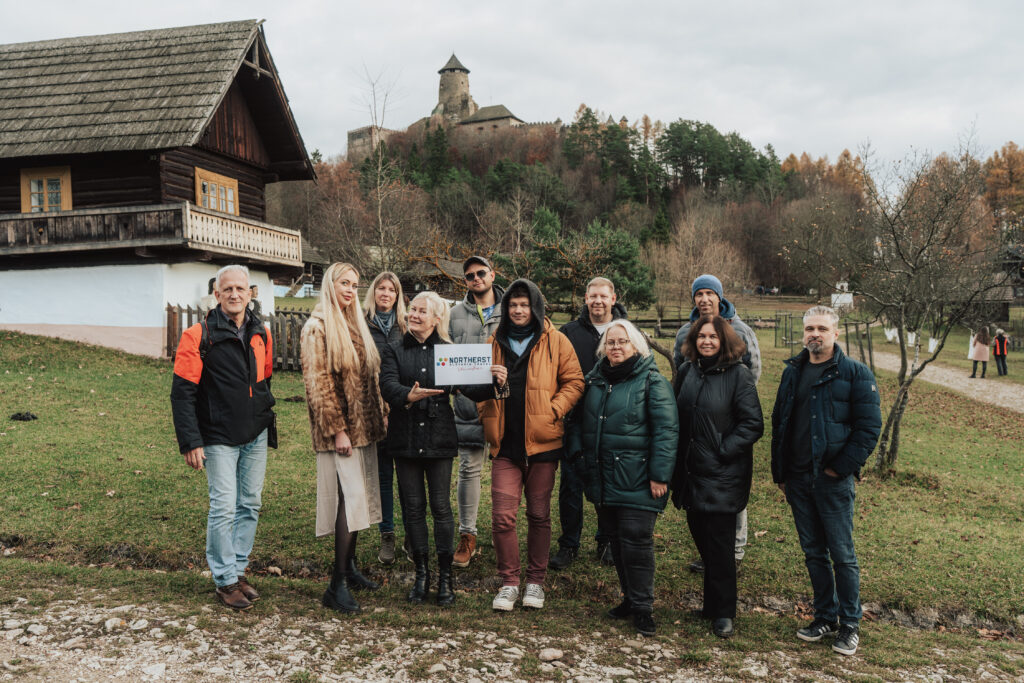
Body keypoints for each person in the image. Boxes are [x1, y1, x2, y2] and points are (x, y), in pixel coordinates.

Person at [463, 279, 584, 611]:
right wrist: (487, 407)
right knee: (503, 517)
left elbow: (575, 381)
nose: (518, 310)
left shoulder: (556, 341)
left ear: (536, 307)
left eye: (524, 305)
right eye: (513, 305)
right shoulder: (493, 342)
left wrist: (554, 410)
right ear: (506, 309)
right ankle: (509, 583)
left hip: (543, 446)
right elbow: (477, 386)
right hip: (505, 446)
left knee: (539, 514)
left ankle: (535, 582)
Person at [772, 305, 881, 656]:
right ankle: (824, 616)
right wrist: (781, 473)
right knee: (813, 553)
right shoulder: (793, 371)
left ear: (836, 333)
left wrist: (840, 468)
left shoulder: (855, 373)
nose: (814, 334)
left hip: (832, 481)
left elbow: (869, 428)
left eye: (821, 328)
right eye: (809, 329)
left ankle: (850, 624)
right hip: (797, 479)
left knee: (842, 555)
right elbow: (780, 421)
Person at [171, 264, 276, 611]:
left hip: (254, 434)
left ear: (250, 293)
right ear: (216, 294)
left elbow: (264, 380)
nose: (234, 294)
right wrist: (190, 441)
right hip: (217, 436)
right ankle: (224, 580)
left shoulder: (261, 333)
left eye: (240, 289)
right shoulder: (197, 335)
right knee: (224, 507)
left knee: (251, 503)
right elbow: (182, 394)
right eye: (227, 289)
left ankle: (238, 570)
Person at [569, 320, 678, 637]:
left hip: (640, 478)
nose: (616, 347)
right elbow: (575, 422)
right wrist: (578, 457)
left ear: (636, 346)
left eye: (623, 341)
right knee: (616, 539)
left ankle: (643, 607)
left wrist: (660, 475)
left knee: (636, 539)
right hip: (604, 476)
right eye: (611, 342)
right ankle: (630, 599)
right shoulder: (595, 380)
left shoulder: (652, 381)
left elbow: (666, 431)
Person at [300, 263, 389, 614]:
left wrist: (381, 410)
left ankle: (349, 568)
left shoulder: (353, 324)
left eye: (355, 285)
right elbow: (318, 385)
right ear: (330, 285)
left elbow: (369, 376)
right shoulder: (317, 327)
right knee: (349, 501)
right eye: (344, 284)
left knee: (358, 501)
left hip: (363, 429)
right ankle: (335, 584)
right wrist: (338, 429)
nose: (351, 290)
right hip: (341, 432)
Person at [672, 315, 764, 639]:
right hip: (691, 473)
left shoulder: (738, 375)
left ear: (724, 340)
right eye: (701, 336)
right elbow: (677, 413)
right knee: (703, 541)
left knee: (720, 547)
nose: (706, 341)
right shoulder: (688, 371)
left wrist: (722, 450)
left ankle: (724, 612)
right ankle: (711, 606)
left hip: (723, 475)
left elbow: (753, 424)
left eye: (713, 337)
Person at [672, 274, 761, 573]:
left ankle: (734, 551)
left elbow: (752, 371)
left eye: (710, 293)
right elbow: (681, 371)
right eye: (699, 294)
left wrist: (729, 405)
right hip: (697, 422)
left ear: (719, 297)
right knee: (698, 490)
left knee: (729, 491)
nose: (704, 299)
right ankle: (710, 552)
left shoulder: (741, 330)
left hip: (727, 418)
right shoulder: (685, 332)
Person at [379, 292, 459, 606]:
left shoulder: (449, 351)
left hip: (439, 437)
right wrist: (407, 396)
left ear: (437, 318)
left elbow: (469, 387)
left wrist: (493, 379)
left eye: (422, 311)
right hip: (406, 437)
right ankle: (421, 575)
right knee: (413, 508)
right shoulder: (394, 349)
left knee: (440, 507)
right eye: (412, 309)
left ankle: (445, 577)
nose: (414, 314)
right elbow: (387, 384)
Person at [551, 276, 628, 570]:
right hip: (576, 420)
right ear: (585, 298)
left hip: (613, 421)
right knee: (571, 485)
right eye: (593, 296)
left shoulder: (626, 332)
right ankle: (569, 544)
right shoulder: (568, 333)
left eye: (603, 296)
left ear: (613, 298)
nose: (598, 301)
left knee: (607, 483)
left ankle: (606, 540)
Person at [448, 256, 505, 568]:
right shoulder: (455, 314)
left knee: (503, 470)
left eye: (481, 273)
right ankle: (467, 534)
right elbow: (445, 352)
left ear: (492, 275)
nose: (476, 278)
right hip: (467, 404)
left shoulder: (511, 310)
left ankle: (501, 530)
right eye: (469, 276)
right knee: (469, 469)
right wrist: (454, 384)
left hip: (502, 403)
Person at [363, 271, 409, 565]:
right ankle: (387, 534)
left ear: (397, 295)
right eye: (381, 288)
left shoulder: (405, 325)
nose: (386, 293)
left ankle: (412, 534)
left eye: (391, 290)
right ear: (374, 291)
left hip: (401, 407)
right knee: (382, 476)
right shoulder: (362, 322)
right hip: (371, 408)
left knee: (406, 475)